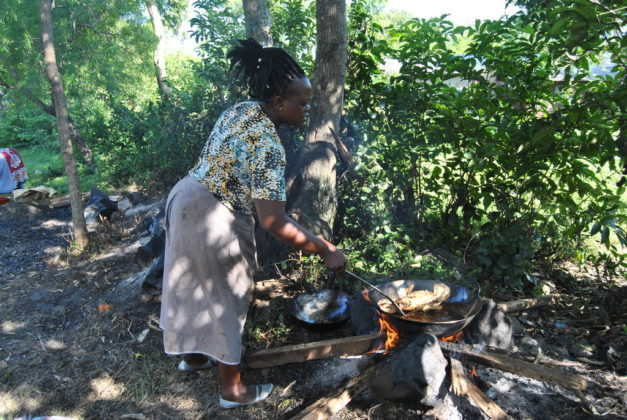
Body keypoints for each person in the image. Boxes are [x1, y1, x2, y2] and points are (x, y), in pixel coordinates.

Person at [159, 38, 347, 409]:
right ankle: (232, 391)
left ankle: (193, 356)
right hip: (214, 215)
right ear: (279, 103)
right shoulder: (268, 147)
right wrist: (325, 248)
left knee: (189, 280)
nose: (306, 110)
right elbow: (274, 221)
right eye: (302, 103)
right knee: (229, 293)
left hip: (185, 196)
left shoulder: (243, 109)